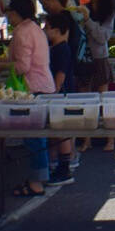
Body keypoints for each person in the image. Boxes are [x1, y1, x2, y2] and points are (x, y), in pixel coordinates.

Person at [0, 0, 55, 196]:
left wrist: (0, 66)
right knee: (38, 136)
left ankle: (36, 183)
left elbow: (23, 66)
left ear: (16, 13)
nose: (8, 18)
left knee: (34, 138)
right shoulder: (34, 29)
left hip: (32, 88)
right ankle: (40, 176)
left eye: (9, 14)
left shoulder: (22, 32)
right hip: (43, 84)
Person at [77, 0, 115, 153]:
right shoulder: (82, 10)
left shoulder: (108, 14)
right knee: (85, 101)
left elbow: (103, 37)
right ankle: (87, 139)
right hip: (83, 59)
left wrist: (88, 21)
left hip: (100, 59)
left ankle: (110, 139)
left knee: (104, 101)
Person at [43, 12, 76, 186]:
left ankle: (64, 168)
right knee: (56, 132)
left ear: (56, 30)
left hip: (61, 95)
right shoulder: (56, 47)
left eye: (46, 27)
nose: (44, 31)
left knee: (62, 132)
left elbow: (60, 74)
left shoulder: (61, 49)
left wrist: (54, 92)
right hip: (59, 95)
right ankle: (58, 165)